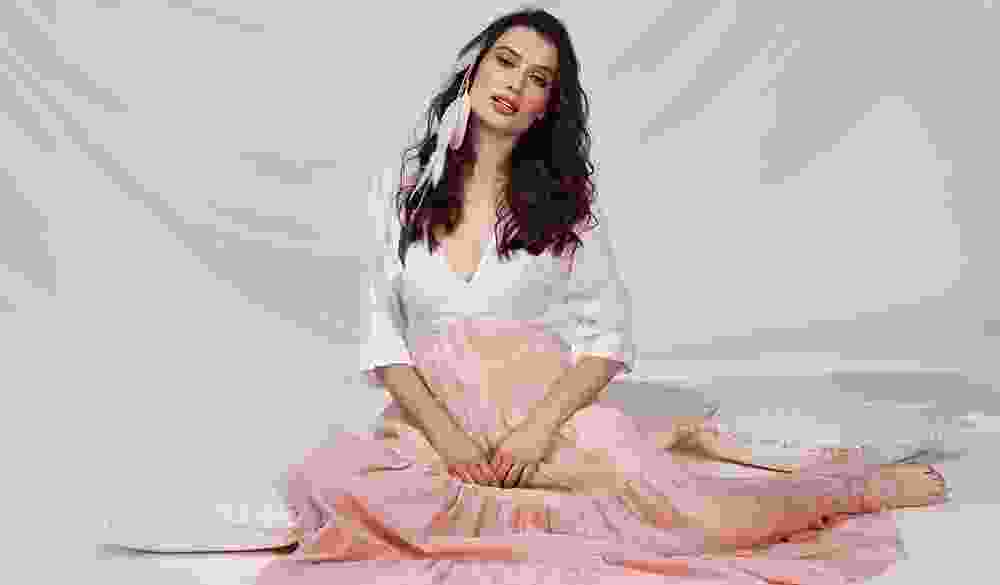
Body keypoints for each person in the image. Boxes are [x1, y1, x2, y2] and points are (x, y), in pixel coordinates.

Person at [257, 8, 948, 583]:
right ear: (474, 71)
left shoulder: (566, 207)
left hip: (547, 420)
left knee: (700, 518)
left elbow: (607, 338)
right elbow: (382, 335)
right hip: (436, 424)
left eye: (537, 79)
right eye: (505, 62)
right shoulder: (402, 193)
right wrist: (446, 435)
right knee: (335, 485)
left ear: (546, 107)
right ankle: (536, 517)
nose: (514, 84)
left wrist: (537, 429)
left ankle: (851, 490)